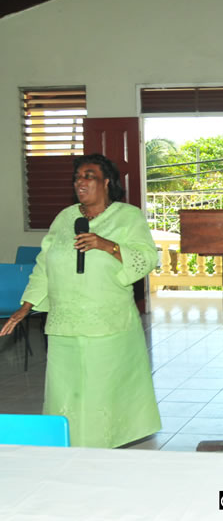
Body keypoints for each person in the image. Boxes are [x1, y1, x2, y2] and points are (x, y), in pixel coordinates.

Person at [0, 154, 161, 448]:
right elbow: (43, 264)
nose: (80, 182)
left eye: (89, 176)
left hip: (108, 323)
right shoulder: (65, 218)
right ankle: (68, 445)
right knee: (66, 391)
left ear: (106, 182)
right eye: (77, 177)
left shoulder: (128, 216)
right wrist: (26, 306)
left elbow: (148, 258)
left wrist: (106, 244)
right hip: (65, 321)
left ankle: (103, 446)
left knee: (102, 391)